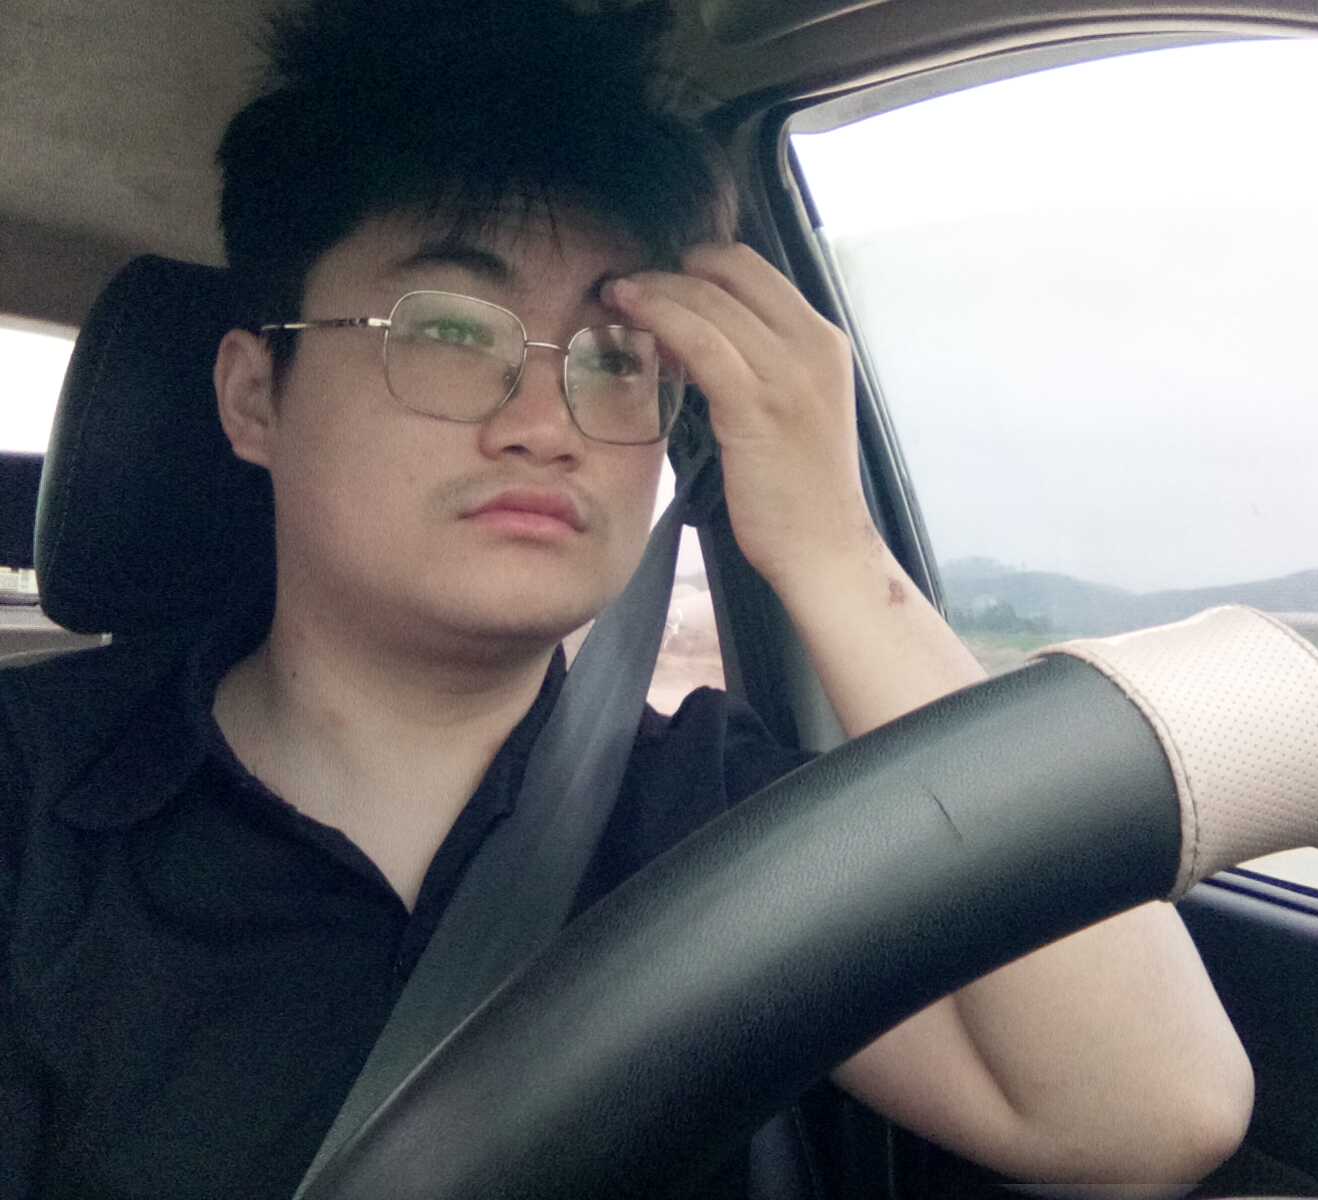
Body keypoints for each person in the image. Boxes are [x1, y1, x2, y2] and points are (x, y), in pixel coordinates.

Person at [0, 1, 1253, 1195]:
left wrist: (833, 549)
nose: (547, 423)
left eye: (615, 358)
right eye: (450, 331)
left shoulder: (719, 818)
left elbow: (1147, 1114)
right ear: (253, 396)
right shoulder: (29, 798)